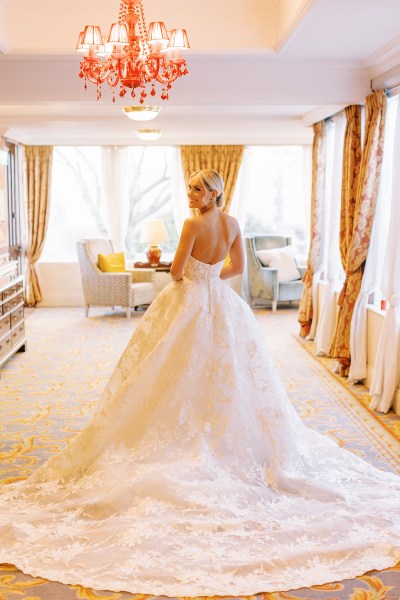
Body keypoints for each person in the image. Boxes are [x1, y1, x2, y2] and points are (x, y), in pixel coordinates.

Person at [0, 169, 400, 596]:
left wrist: (193, 279)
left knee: (169, 370)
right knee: (227, 374)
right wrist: (211, 278)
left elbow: (174, 271)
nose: (190, 194)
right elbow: (237, 267)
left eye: (197, 189)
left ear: (214, 194)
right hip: (221, 302)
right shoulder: (232, 224)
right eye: (189, 187)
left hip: (188, 298)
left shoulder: (192, 224)